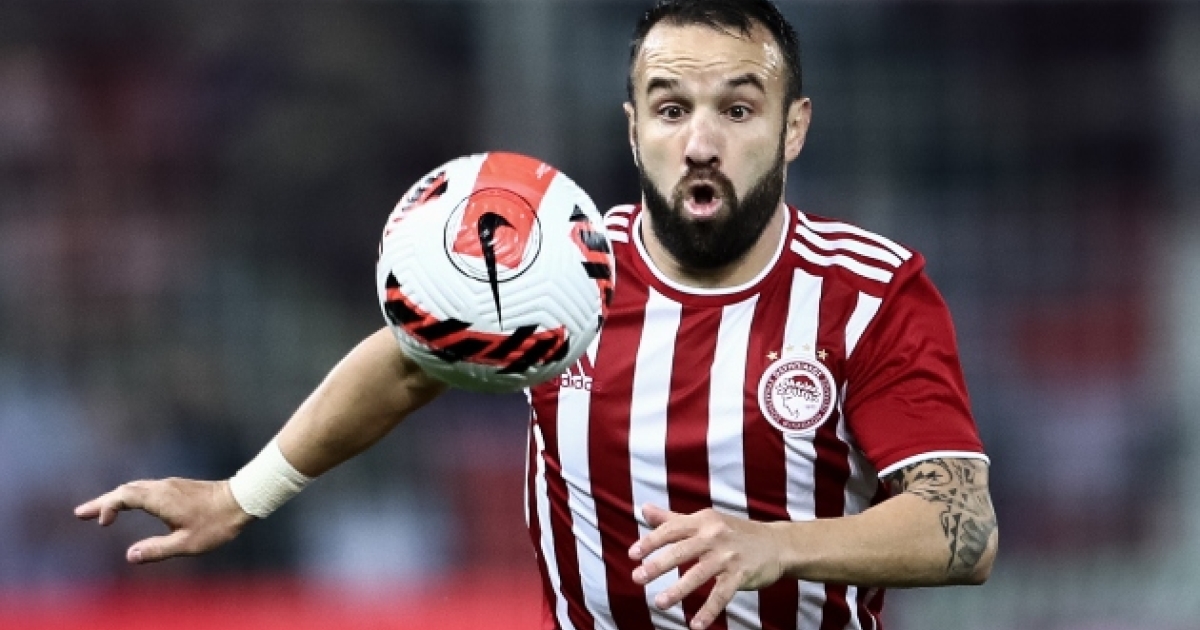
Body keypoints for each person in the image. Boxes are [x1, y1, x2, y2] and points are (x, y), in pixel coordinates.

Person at [75, 1, 998, 628]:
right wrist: (241, 496)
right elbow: (407, 363)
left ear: (793, 127)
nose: (701, 142)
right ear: (634, 128)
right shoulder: (561, 269)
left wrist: (776, 546)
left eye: (738, 109)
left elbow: (962, 529)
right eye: (670, 109)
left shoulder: (869, 292)